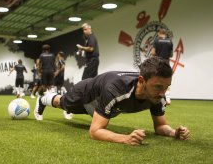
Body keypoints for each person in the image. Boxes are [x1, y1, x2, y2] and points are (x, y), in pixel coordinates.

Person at [34, 57, 190, 145]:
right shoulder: (116, 89)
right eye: (158, 87)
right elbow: (94, 132)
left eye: (167, 87)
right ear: (142, 80)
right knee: (62, 103)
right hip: (87, 93)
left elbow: (161, 126)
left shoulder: (158, 96)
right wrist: (125, 138)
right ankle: (43, 99)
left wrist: (173, 132)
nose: (163, 93)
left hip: (106, 103)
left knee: (76, 109)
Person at [151, 28, 173, 105]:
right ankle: (168, 99)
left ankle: (158, 98)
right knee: (166, 80)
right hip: (166, 63)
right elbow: (171, 54)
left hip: (158, 62)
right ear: (166, 34)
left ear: (159, 33)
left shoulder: (156, 40)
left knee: (157, 79)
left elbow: (153, 52)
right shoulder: (170, 41)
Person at [54, 51, 72, 120]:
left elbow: (63, 67)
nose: (57, 55)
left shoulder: (61, 60)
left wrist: (57, 72)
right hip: (61, 75)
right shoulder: (61, 60)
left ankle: (65, 94)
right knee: (60, 86)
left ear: (59, 55)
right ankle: (64, 94)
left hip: (60, 75)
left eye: (58, 54)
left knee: (58, 85)